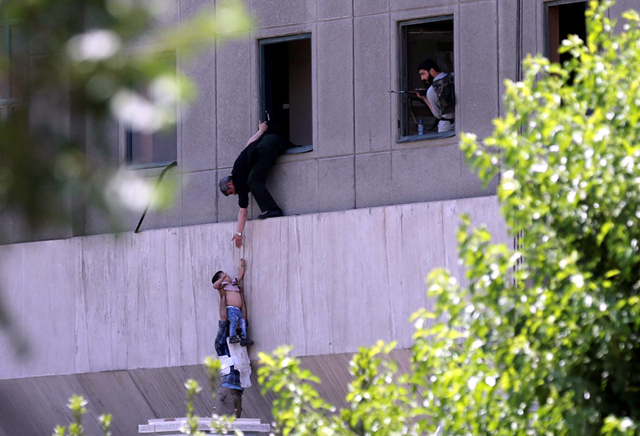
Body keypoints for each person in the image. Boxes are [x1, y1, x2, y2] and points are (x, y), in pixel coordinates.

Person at [219, 121, 293, 248]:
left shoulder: (240, 182)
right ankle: (272, 209)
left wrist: (238, 233)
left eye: (231, 192)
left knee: (253, 182)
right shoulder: (237, 168)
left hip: (269, 145)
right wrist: (261, 131)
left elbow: (243, 211)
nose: (234, 194)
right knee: (253, 180)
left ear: (230, 184)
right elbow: (249, 144)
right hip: (270, 140)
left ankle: (274, 210)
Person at [212, 258, 253, 347]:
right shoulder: (224, 286)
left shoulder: (234, 283)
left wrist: (243, 266)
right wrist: (222, 278)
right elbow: (214, 286)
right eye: (224, 276)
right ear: (222, 280)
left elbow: (240, 275)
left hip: (238, 309)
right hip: (230, 309)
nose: (228, 276)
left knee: (242, 322)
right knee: (233, 321)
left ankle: (244, 337)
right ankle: (232, 336)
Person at [416, 59, 455, 133]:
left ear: (432, 71)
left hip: (446, 127)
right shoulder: (454, 78)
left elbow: (437, 115)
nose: (422, 78)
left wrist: (425, 99)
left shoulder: (431, 91)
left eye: (423, 74)